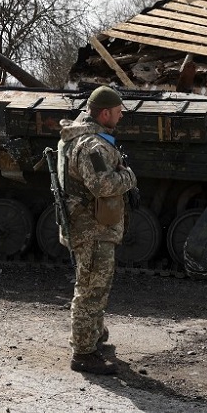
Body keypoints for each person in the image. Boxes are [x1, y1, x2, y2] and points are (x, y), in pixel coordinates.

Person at [57, 85, 137, 375]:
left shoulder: (87, 138)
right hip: (92, 229)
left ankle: (93, 336)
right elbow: (103, 185)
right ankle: (83, 354)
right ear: (104, 113)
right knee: (91, 289)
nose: (120, 117)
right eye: (117, 113)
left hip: (92, 225)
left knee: (95, 286)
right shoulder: (92, 145)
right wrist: (128, 175)